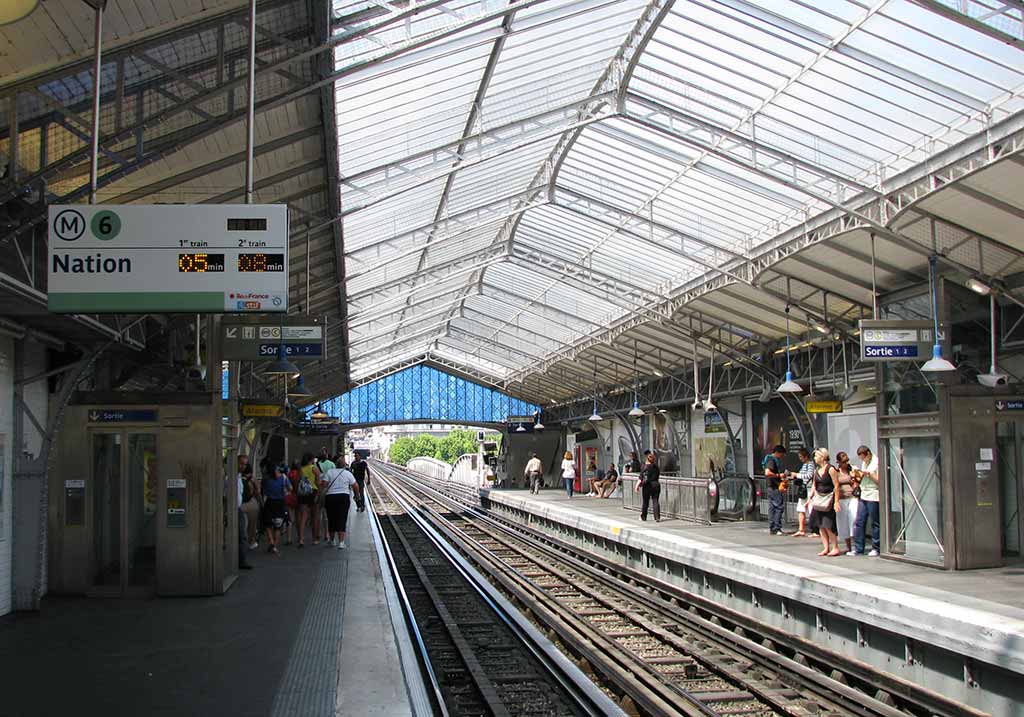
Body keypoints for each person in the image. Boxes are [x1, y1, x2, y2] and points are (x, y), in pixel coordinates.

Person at [321, 460, 360, 549]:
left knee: (331, 518)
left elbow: (324, 485)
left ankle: (332, 540)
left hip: (330, 497)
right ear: (344, 466)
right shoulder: (347, 473)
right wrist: (357, 496)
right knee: (342, 518)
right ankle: (341, 542)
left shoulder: (330, 472)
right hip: (343, 497)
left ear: (335, 465)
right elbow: (356, 486)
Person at [811, 448, 841, 557]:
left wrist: (836, 501)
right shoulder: (816, 471)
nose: (815, 458)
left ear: (822, 457)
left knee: (828, 525)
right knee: (820, 526)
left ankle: (835, 547)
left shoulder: (831, 469)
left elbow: (837, 485)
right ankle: (826, 547)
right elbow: (814, 485)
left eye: (816, 456)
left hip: (828, 499)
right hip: (819, 500)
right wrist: (811, 497)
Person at [852, 445, 881, 556]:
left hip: (874, 494)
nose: (863, 460)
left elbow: (879, 480)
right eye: (861, 459)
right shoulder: (865, 463)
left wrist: (869, 474)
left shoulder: (876, 462)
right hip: (864, 494)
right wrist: (857, 474)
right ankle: (859, 548)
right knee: (859, 521)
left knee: (875, 522)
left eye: (864, 458)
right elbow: (861, 479)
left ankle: (876, 547)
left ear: (868, 453)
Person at [835, 452, 860, 555]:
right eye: (844, 462)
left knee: (853, 519)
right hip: (842, 498)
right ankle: (848, 546)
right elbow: (835, 485)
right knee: (843, 523)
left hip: (853, 497)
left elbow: (859, 480)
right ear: (839, 462)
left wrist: (855, 476)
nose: (846, 463)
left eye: (847, 461)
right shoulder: (836, 472)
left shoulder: (852, 469)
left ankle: (855, 546)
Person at [262, 464, 289, 555]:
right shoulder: (283, 477)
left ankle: (272, 542)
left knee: (268, 524)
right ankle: (275, 546)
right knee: (278, 526)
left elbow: (264, 491)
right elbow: (290, 488)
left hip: (269, 503)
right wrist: (285, 492)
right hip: (280, 503)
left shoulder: (266, 480)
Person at [763, 445, 788, 536]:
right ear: (778, 453)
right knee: (778, 507)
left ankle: (773, 527)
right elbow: (767, 473)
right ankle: (776, 527)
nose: (782, 457)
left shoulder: (769, 459)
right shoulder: (772, 460)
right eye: (782, 454)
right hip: (774, 487)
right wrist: (778, 475)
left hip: (771, 487)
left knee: (772, 507)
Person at [791, 447, 814, 537]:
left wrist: (797, 475)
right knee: (801, 509)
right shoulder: (804, 465)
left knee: (812, 510)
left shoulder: (810, 464)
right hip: (803, 489)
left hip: (809, 489)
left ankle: (815, 529)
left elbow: (809, 475)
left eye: (801, 457)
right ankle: (801, 529)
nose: (800, 459)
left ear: (806, 457)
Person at [299, 453, 321, 544]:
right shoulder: (314, 468)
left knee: (303, 517)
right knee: (314, 517)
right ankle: (315, 539)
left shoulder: (301, 469)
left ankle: (301, 539)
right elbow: (318, 482)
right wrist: (319, 493)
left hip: (303, 494)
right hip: (313, 492)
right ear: (311, 460)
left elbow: (300, 481)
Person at [236, 455, 253, 570]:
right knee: (242, 536)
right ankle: (241, 561)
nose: (243, 466)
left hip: (238, 508)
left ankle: (241, 560)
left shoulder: (239, 477)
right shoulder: (230, 476)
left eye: (245, 464)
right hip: (235, 509)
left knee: (242, 536)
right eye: (241, 463)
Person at [240, 464, 261, 549]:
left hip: (240, 505)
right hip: (250, 505)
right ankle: (251, 541)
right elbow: (257, 492)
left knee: (242, 525)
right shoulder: (252, 480)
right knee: (252, 524)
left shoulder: (237, 479)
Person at [638, 451, 661, 521]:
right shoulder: (656, 467)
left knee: (645, 502)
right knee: (655, 500)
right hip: (656, 484)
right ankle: (657, 517)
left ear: (647, 459)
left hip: (647, 485)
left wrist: (637, 485)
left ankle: (644, 516)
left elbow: (641, 477)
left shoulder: (645, 467)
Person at [285, 461, 300, 545]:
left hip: (290, 497)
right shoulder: (299, 474)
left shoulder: (289, 474)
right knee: (298, 518)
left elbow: (287, 486)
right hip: (298, 497)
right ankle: (299, 537)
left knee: (290, 519)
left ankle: (289, 539)